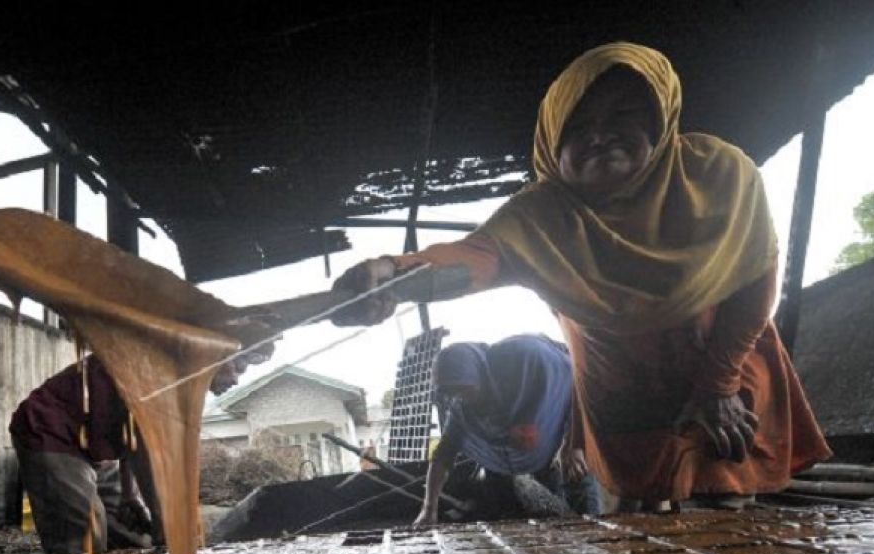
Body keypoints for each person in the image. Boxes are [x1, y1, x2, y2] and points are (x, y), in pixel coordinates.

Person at [333, 42, 830, 511]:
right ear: (552, 143)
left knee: (723, 518)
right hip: (623, 389)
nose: (598, 134)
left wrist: (719, 384)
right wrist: (393, 276)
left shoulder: (718, 174)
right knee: (640, 541)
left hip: (723, 365)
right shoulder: (542, 216)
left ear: (660, 118)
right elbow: (476, 257)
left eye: (622, 116)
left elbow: (754, 278)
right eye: (577, 126)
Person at [414, 337, 600, 525]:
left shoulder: (525, 358)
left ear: (477, 371)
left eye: (464, 389)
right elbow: (443, 455)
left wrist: (574, 442)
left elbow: (578, 380)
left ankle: (595, 538)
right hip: (531, 451)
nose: (462, 397)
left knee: (578, 478)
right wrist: (429, 508)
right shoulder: (461, 409)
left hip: (567, 421)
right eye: (454, 392)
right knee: (550, 515)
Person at [10, 356, 154, 554]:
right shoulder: (162, 364)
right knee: (85, 537)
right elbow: (144, 447)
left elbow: (134, 438)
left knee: (135, 536)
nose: (214, 393)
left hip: (96, 443)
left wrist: (130, 495)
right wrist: (164, 523)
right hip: (52, 429)